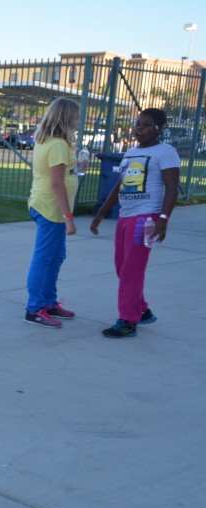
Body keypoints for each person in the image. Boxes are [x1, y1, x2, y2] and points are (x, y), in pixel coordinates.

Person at [90, 108, 179, 338]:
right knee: (123, 267)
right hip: (125, 216)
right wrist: (101, 213)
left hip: (146, 218)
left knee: (131, 270)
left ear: (158, 128)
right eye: (138, 124)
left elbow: (171, 188)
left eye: (146, 125)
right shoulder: (130, 152)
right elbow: (120, 185)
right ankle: (142, 309)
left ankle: (128, 321)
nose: (139, 128)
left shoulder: (166, 152)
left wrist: (163, 219)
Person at [23, 97, 82, 329]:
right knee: (44, 258)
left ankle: (47, 302)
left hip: (48, 207)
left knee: (55, 257)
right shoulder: (57, 143)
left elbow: (60, 175)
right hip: (50, 208)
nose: (78, 122)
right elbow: (56, 184)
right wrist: (69, 218)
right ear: (66, 118)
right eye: (76, 117)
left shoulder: (52, 142)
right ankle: (34, 308)